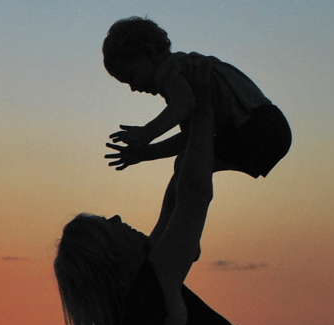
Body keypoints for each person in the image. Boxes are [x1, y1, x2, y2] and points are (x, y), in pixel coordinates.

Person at [55, 75, 244, 325]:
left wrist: (189, 143)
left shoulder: (136, 301)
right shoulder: (148, 294)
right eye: (108, 226)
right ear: (111, 254)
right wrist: (204, 108)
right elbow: (194, 196)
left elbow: (175, 204)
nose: (116, 218)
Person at [101, 16, 291, 240]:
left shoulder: (171, 71)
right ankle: (177, 234)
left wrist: (147, 132)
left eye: (131, 76)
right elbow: (191, 139)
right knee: (187, 164)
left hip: (259, 127)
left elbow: (185, 104)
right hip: (270, 127)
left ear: (148, 53)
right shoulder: (184, 74)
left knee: (187, 166)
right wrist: (146, 153)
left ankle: (175, 237)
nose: (133, 87)